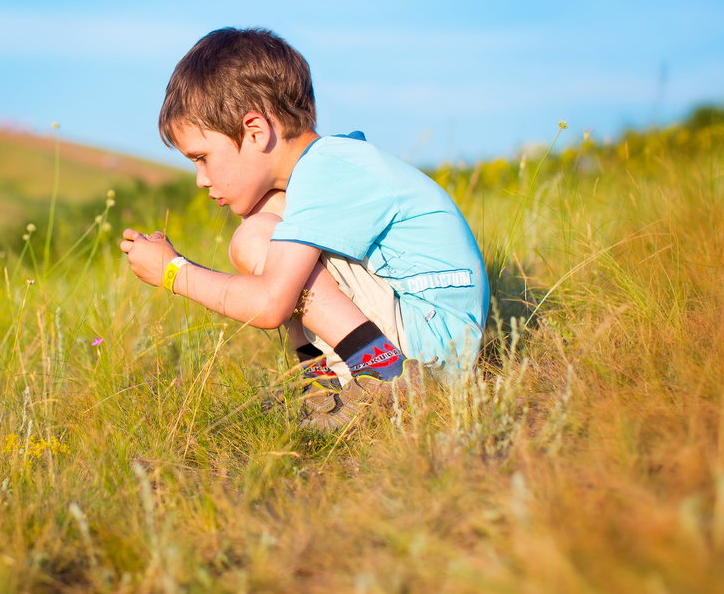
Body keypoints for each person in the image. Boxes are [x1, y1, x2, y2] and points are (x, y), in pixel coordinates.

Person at [120, 27, 489, 429]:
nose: (201, 179)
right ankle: (327, 385)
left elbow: (269, 305)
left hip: (430, 345)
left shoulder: (325, 173)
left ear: (255, 131)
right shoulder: (324, 167)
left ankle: (383, 376)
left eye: (203, 157)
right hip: (435, 340)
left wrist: (175, 272)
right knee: (268, 227)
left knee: (258, 237)